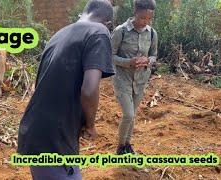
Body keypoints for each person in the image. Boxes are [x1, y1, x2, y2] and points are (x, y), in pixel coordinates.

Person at [16, 0, 114, 179]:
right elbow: (89, 90)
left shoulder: (59, 34)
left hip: (36, 131)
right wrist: (90, 125)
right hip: (55, 140)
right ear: (108, 23)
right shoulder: (99, 32)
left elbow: (41, 85)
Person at [111, 0, 157, 155]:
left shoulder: (151, 33)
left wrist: (148, 61)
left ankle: (127, 145)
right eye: (142, 18)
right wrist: (129, 62)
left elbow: (154, 54)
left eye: (149, 19)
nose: (145, 22)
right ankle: (120, 147)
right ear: (135, 12)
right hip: (122, 79)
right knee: (128, 114)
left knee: (133, 115)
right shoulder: (120, 31)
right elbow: (110, 56)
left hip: (140, 80)